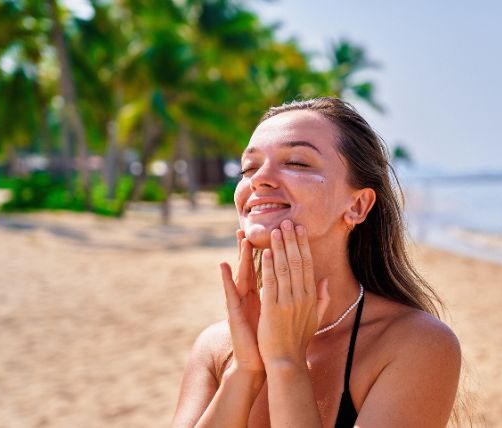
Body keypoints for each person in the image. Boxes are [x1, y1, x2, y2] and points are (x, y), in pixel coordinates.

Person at [171, 97, 462, 427]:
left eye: (296, 162)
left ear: (358, 206)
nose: (259, 179)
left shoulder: (414, 344)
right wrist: (244, 371)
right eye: (248, 168)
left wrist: (286, 363)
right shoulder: (217, 347)